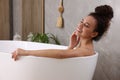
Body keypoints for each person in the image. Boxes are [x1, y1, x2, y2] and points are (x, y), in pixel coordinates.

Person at [12, 5, 113, 61]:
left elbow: (61, 54)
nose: (80, 25)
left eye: (86, 25)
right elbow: (65, 60)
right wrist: (70, 47)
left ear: (94, 34)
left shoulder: (86, 50)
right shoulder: (80, 48)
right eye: (82, 21)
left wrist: (26, 52)